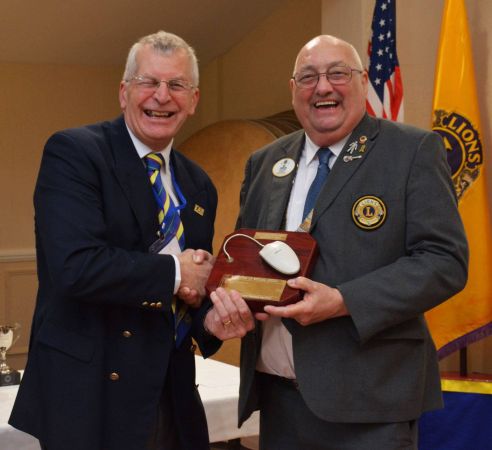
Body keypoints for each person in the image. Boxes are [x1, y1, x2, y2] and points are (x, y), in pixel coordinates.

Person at [213, 35, 469, 449]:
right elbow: (246, 259)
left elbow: (444, 261)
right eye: (309, 77)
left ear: (363, 81)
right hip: (279, 403)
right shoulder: (265, 162)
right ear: (293, 90)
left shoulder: (411, 150)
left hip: (370, 406)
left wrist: (344, 301)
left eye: (338, 74)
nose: (323, 87)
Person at [9, 31, 253, 450]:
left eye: (177, 85)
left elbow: (190, 288)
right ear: (124, 93)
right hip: (91, 396)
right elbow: (75, 267)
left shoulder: (198, 184)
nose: (162, 96)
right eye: (148, 83)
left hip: (171, 391)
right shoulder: (76, 153)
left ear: (193, 100)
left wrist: (210, 321)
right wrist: (178, 272)